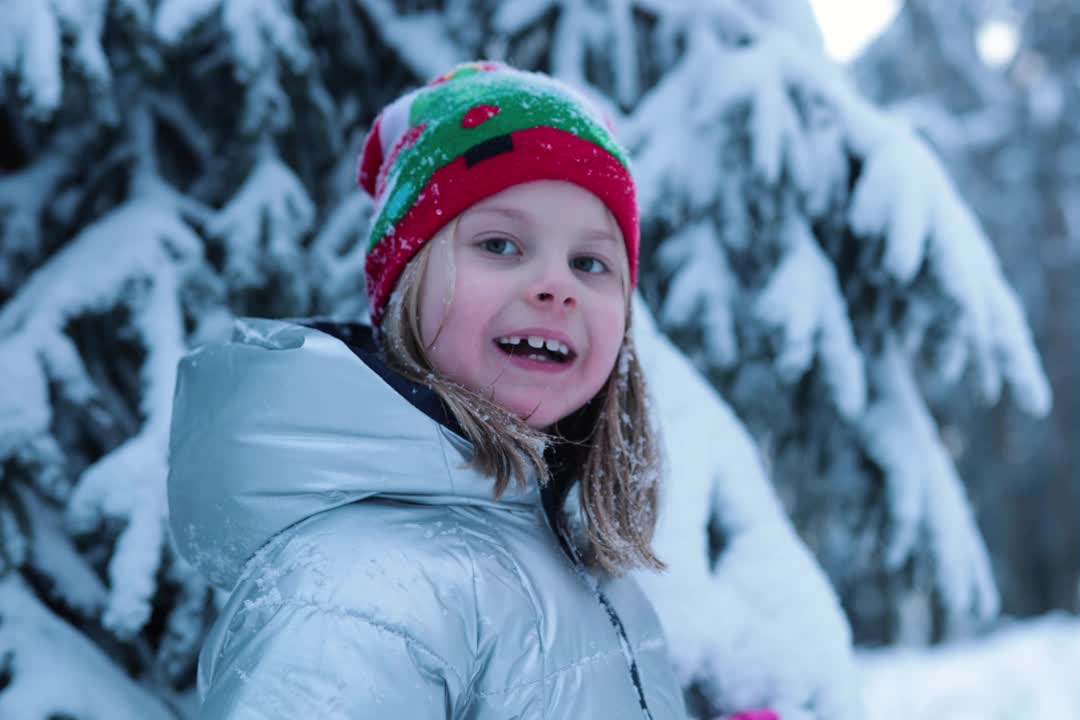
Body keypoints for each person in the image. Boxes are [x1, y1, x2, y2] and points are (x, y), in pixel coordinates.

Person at [167, 61, 691, 719]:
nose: (557, 285)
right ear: (405, 285)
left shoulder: (577, 557)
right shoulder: (361, 590)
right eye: (500, 244)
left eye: (590, 263)